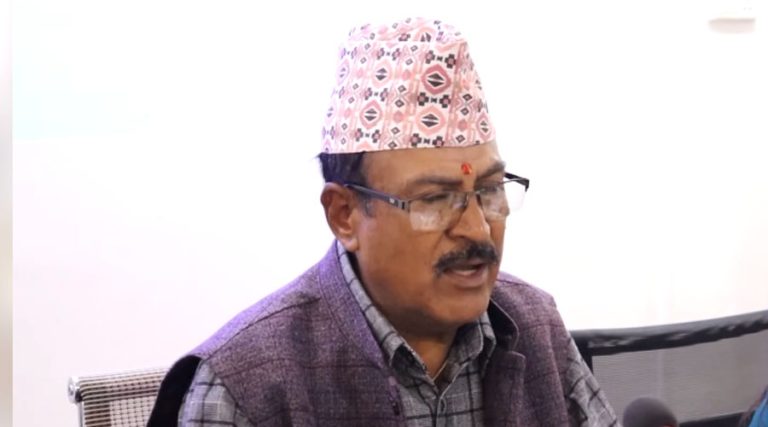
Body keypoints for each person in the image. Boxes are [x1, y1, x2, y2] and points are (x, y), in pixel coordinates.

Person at [147, 17, 619, 426]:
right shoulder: (248, 383)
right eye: (435, 199)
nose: (477, 230)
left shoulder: (533, 326)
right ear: (344, 215)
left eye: (490, 190)